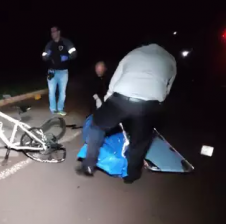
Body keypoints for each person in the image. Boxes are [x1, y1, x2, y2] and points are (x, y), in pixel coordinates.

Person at [76, 41, 177, 184]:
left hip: (121, 98)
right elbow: (167, 89)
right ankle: (131, 175)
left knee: (97, 126)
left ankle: (88, 165)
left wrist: (108, 102)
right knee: (140, 142)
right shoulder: (170, 60)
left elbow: (115, 81)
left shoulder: (133, 54)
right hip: (149, 104)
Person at [42, 26, 77, 116]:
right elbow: (43, 56)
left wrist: (67, 57)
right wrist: (46, 55)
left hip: (63, 72)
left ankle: (60, 108)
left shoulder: (66, 42)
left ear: (59, 32)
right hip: (52, 72)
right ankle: (53, 109)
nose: (52, 33)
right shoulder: (49, 44)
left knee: (62, 92)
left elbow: (74, 53)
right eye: (51, 32)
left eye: (54, 31)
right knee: (52, 92)